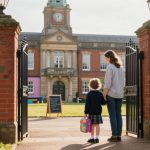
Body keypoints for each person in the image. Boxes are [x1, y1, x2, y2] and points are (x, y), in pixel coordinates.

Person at [104, 50, 125, 142]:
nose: (105, 60)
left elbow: (108, 83)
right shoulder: (121, 68)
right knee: (118, 115)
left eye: (106, 58)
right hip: (120, 94)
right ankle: (119, 135)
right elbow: (123, 82)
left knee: (112, 115)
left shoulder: (110, 67)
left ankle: (114, 135)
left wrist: (104, 94)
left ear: (109, 57)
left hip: (111, 94)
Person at [84, 78, 106, 144]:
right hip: (98, 112)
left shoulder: (89, 94)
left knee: (92, 125)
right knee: (97, 125)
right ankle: (97, 138)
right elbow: (103, 103)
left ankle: (92, 138)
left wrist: (86, 111)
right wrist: (105, 98)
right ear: (98, 85)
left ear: (90, 85)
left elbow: (87, 104)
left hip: (91, 112)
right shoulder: (100, 94)